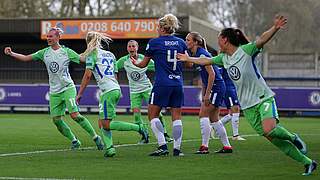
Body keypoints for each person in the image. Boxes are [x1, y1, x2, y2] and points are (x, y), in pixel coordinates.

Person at [177, 15, 317, 176]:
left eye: (218, 40)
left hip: (262, 97)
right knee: (273, 139)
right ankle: (308, 163)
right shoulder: (223, 58)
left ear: (225, 40)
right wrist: (189, 58)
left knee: (269, 128)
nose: (217, 43)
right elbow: (206, 61)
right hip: (248, 106)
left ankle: (293, 137)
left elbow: (262, 39)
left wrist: (275, 27)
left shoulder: (246, 51)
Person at [4, 27, 104, 150]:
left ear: (58, 37)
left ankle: (95, 137)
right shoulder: (44, 53)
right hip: (54, 92)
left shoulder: (66, 52)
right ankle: (74, 141)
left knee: (75, 115)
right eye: (47, 36)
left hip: (68, 88)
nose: (48, 38)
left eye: (51, 36)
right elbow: (26, 58)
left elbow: (82, 59)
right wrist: (11, 53)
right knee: (56, 120)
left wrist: (93, 51)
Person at [76, 31, 149, 158]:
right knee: (102, 121)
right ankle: (110, 149)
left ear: (88, 42)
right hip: (115, 89)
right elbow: (115, 75)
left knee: (106, 123)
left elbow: (87, 75)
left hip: (108, 91)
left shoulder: (92, 54)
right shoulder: (110, 54)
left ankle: (139, 128)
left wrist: (80, 94)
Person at [131, 14, 187, 156]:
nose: (157, 29)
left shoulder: (154, 42)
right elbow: (189, 63)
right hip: (178, 83)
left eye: (158, 27)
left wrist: (135, 63)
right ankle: (177, 149)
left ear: (162, 28)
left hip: (162, 83)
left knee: (152, 114)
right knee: (177, 117)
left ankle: (162, 146)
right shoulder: (181, 42)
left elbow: (143, 64)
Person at [116, 40, 173, 144]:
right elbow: (114, 67)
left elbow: (158, 67)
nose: (131, 48)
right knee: (136, 115)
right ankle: (144, 135)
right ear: (127, 48)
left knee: (157, 112)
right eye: (129, 46)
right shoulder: (123, 61)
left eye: (133, 46)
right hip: (134, 91)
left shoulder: (144, 59)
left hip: (147, 89)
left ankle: (164, 134)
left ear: (137, 48)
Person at [185, 32, 232, 154]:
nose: (186, 42)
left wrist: (207, 94)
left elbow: (212, 74)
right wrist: (205, 91)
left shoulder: (202, 54)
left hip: (216, 87)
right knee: (214, 119)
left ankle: (204, 147)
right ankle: (227, 146)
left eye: (188, 40)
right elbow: (206, 78)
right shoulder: (198, 54)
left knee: (203, 114)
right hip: (216, 88)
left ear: (195, 42)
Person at [218, 66, 246, 141]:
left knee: (232, 113)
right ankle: (235, 135)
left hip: (234, 88)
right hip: (228, 89)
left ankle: (215, 126)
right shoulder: (223, 62)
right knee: (235, 109)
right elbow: (219, 76)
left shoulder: (234, 61)